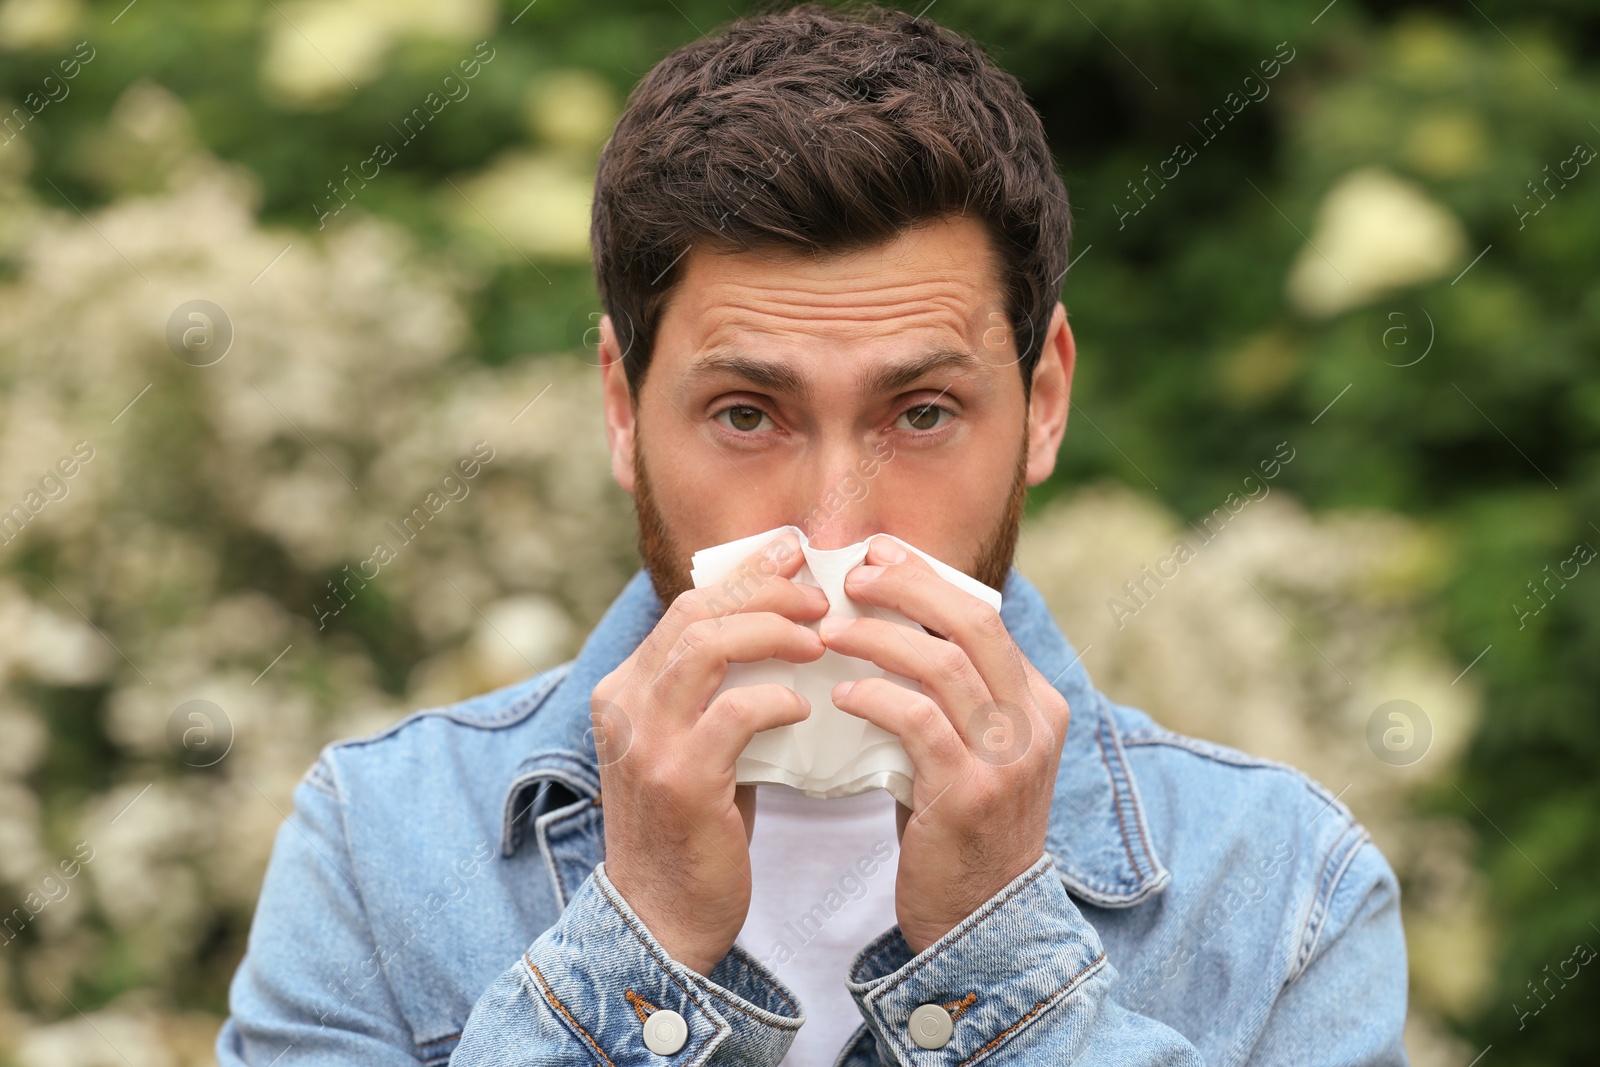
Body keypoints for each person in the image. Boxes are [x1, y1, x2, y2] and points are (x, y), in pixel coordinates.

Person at [216, 5, 1409, 1064]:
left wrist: (1001, 964)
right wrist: (638, 947)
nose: (834, 525)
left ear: (1042, 402)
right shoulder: (380, 844)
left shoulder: (1287, 888)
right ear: (623, 410)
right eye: (747, 413)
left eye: (923, 411)